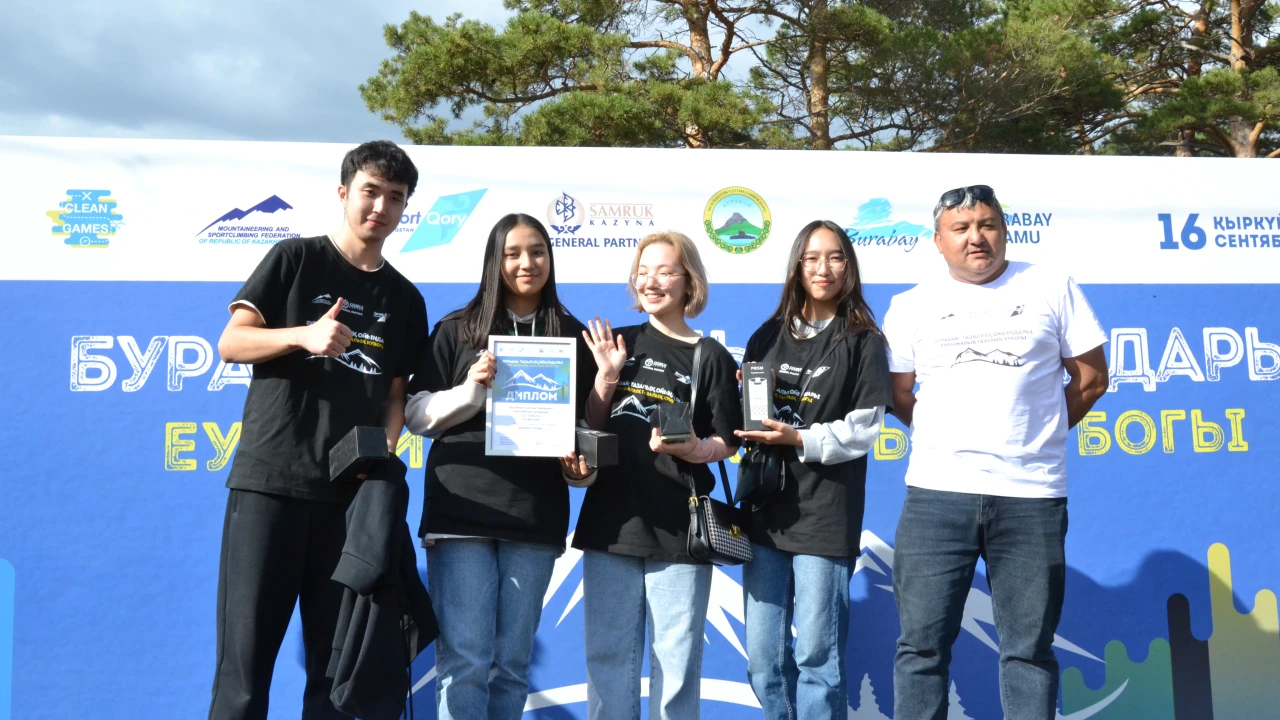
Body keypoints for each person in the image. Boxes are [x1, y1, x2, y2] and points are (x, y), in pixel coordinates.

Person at [208, 140, 427, 720]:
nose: (380, 206)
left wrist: (379, 462)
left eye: (395, 198)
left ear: (406, 209)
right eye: (371, 191)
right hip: (269, 487)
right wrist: (302, 335)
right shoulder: (294, 258)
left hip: (348, 507)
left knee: (335, 680)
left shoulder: (405, 299)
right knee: (243, 672)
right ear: (344, 192)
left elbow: (397, 396)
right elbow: (231, 343)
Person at [882, 185, 1109, 720]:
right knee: (920, 649)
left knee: (1029, 651)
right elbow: (898, 394)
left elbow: (1092, 379)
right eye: (960, 229)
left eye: (986, 225)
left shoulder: (1052, 286)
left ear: (1004, 231)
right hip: (937, 497)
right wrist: (947, 432)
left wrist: (1040, 431)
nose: (975, 237)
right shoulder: (911, 305)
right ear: (938, 241)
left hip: (1032, 498)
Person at [403, 213, 595, 720]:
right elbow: (415, 417)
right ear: (494, 261)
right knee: (465, 660)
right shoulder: (456, 329)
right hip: (461, 514)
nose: (526, 263)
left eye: (537, 251)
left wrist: (581, 468)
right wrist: (470, 390)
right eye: (512, 253)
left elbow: (583, 441)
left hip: (534, 518)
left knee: (510, 665)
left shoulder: (572, 337)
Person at [572, 231, 743, 720]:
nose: (652, 281)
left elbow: (727, 441)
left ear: (689, 281)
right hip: (612, 524)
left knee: (676, 667)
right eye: (643, 271)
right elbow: (592, 426)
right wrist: (605, 377)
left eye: (665, 271)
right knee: (607, 664)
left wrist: (693, 448)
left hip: (679, 531)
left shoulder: (709, 354)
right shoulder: (616, 343)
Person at [735, 220, 892, 719]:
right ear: (797, 267)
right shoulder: (766, 334)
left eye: (835, 257)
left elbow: (865, 430)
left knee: (817, 658)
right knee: (763, 662)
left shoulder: (863, 339)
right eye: (812, 258)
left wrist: (798, 437)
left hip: (825, 513)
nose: (823, 269)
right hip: (766, 512)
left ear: (849, 266)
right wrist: (744, 401)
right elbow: (748, 420)